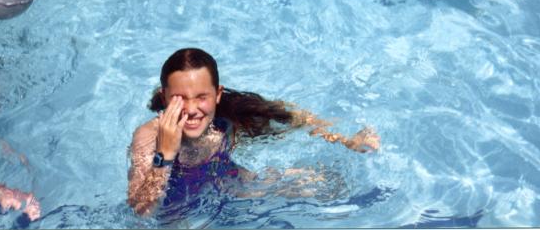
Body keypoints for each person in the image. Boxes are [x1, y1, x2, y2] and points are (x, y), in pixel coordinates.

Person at [127, 48, 380, 216]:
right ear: (164, 97)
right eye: (180, 98)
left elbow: (292, 117)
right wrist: (165, 154)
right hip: (177, 208)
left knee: (326, 185)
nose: (192, 109)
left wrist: (346, 140)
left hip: (229, 182)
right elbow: (141, 210)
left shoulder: (229, 113)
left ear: (217, 94)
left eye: (201, 97)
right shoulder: (149, 137)